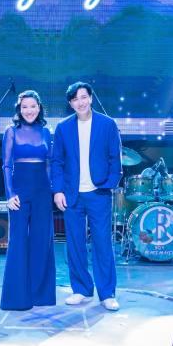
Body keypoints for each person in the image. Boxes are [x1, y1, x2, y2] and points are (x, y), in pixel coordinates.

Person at [51, 82, 122, 311]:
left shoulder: (107, 124)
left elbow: (115, 158)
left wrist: (109, 184)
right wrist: (58, 191)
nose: (80, 102)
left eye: (83, 97)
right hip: (72, 195)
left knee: (102, 243)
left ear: (90, 98)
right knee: (75, 244)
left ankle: (107, 293)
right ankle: (81, 289)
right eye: (75, 99)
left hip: (98, 193)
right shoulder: (63, 127)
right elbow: (57, 161)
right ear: (70, 103)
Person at [0, 90, 56, 310]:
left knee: (42, 241)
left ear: (39, 108)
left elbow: (49, 164)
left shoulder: (46, 132)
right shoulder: (11, 131)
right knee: (18, 242)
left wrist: (52, 191)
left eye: (33, 106)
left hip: (42, 193)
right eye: (24, 107)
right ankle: (17, 298)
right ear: (19, 109)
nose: (29, 110)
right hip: (19, 193)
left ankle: (41, 295)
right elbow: (6, 165)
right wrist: (9, 194)